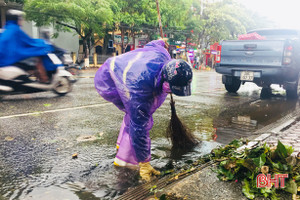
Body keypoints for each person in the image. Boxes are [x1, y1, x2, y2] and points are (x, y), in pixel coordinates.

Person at [94, 39, 193, 182]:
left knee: (136, 116)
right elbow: (140, 128)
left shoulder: (163, 54)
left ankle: (123, 144)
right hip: (109, 79)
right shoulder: (140, 92)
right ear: (166, 84)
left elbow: (152, 45)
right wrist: (145, 162)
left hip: (128, 72)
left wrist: (161, 41)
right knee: (137, 120)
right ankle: (125, 163)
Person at [0, 9, 58, 83]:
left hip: (4, 59)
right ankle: (44, 79)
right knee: (38, 58)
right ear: (16, 19)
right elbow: (30, 42)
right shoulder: (15, 30)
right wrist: (43, 44)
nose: (22, 21)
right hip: (10, 59)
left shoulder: (7, 28)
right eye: (20, 19)